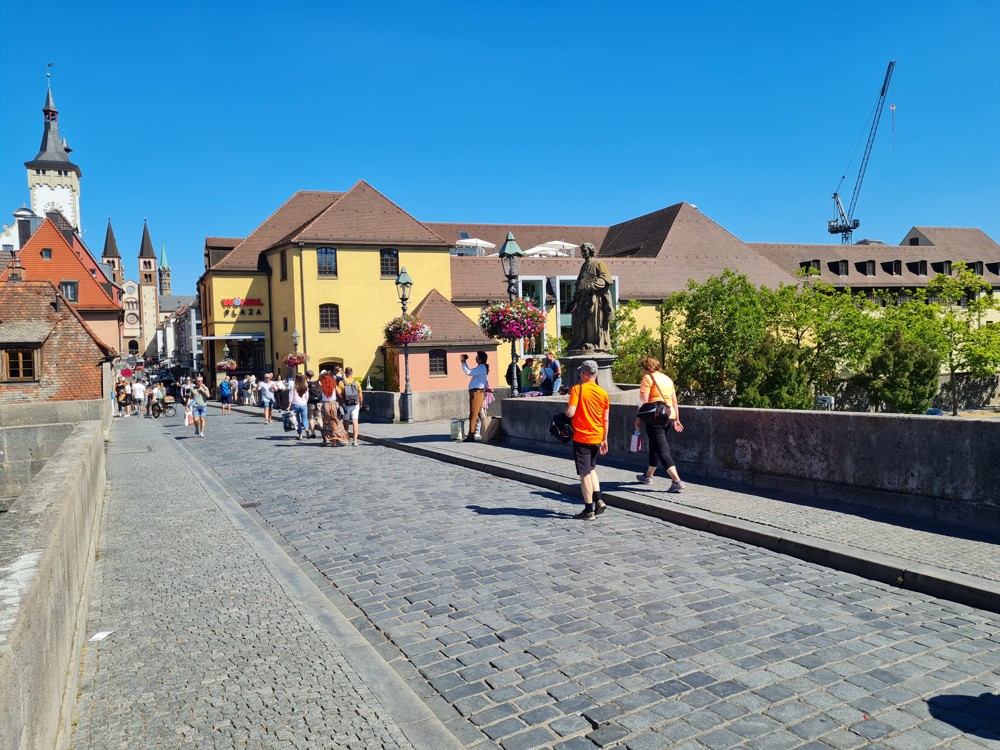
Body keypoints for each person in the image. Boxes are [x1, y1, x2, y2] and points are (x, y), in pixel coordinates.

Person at [565, 359, 610, 520]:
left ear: (584, 374)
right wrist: (604, 439)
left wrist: (565, 412)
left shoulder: (578, 389)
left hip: (582, 436)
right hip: (597, 437)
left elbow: (570, 412)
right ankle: (599, 500)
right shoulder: (603, 393)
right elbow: (606, 419)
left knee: (584, 473)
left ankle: (588, 510)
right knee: (591, 469)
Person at [634, 356, 685, 492]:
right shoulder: (667, 379)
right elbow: (674, 402)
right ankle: (648, 476)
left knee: (662, 449)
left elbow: (644, 401)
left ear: (646, 368)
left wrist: (638, 418)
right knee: (655, 445)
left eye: (643, 369)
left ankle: (676, 480)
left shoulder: (648, 378)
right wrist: (677, 419)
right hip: (670, 416)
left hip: (655, 417)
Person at [567, 242, 614, 352]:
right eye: (582, 251)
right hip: (583, 299)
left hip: (595, 298)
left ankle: (594, 343)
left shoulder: (598, 263)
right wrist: (575, 299)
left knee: (592, 322)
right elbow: (579, 283)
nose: (583, 253)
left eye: (585, 250)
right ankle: (582, 341)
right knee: (578, 319)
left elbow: (605, 280)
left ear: (591, 251)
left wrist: (589, 287)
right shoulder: (584, 266)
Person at [461, 351, 489, 442]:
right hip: (475, 392)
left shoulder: (481, 367)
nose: (475, 358)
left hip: (477, 392)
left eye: (477, 357)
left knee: (473, 413)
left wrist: (464, 362)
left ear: (481, 359)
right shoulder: (480, 367)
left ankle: (471, 435)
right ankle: (487, 431)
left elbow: (469, 372)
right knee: (480, 414)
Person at [340, 367, 364, 446]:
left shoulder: (341, 382)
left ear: (345, 373)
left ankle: (346, 439)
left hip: (346, 404)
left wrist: (342, 402)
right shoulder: (356, 382)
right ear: (352, 373)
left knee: (346, 422)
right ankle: (355, 440)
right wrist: (360, 403)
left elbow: (340, 395)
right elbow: (360, 395)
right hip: (355, 404)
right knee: (355, 421)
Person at [288, 373, 309, 440]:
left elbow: (290, 396)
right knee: (305, 419)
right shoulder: (305, 385)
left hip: (295, 404)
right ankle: (306, 428)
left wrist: (289, 405)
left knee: (297, 421)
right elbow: (307, 396)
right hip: (303, 404)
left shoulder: (293, 386)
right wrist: (305, 402)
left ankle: (300, 435)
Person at [305, 369, 323, 439]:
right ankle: (321, 428)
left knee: (311, 418)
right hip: (319, 402)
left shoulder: (307, 383)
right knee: (319, 417)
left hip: (311, 402)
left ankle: (313, 433)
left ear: (306, 375)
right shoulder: (318, 382)